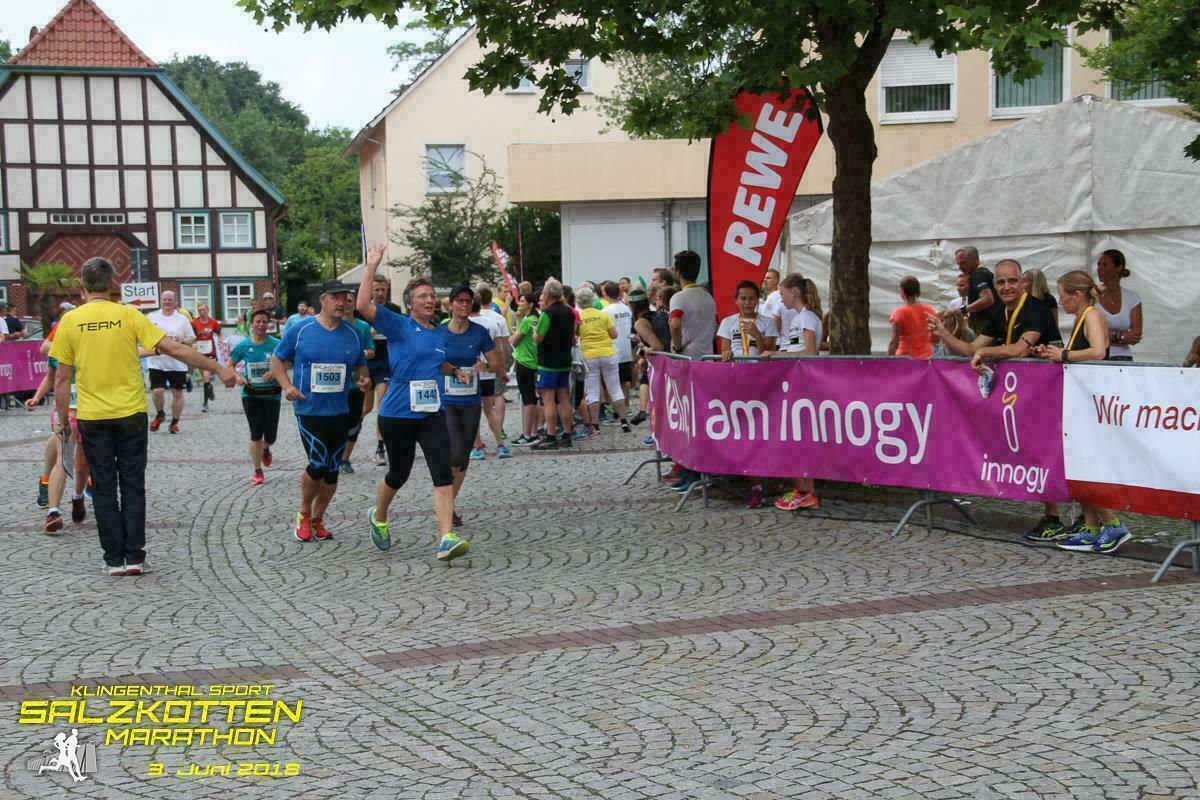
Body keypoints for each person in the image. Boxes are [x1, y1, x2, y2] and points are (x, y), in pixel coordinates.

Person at [50, 257, 238, 576]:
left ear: (82, 285)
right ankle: (135, 557)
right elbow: (173, 349)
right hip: (131, 413)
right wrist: (218, 368)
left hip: (92, 416)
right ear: (112, 284)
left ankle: (114, 560)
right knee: (132, 483)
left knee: (104, 486)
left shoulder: (70, 321)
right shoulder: (128, 315)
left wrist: (64, 423)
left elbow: (62, 378)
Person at [929, 259, 1065, 541]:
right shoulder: (998, 311)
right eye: (1001, 282)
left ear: (1023, 282)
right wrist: (943, 334)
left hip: (1052, 389)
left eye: (1012, 281)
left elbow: (1019, 350)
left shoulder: (1035, 309)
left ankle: (1064, 518)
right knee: (1033, 449)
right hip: (1027, 393)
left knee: (1050, 450)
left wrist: (987, 353)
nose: (1006, 287)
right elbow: (971, 348)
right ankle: (1054, 517)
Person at [356, 245, 467, 561]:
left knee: (442, 474)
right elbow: (362, 305)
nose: (429, 300)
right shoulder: (398, 324)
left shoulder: (439, 334)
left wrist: (454, 371)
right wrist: (372, 265)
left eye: (431, 296)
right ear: (409, 303)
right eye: (422, 296)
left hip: (431, 412)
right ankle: (379, 516)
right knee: (398, 474)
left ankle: (446, 538)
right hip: (397, 413)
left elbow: (436, 363)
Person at [1033, 270, 1132, 554]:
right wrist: (1052, 354)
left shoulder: (1092, 315)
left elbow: (1098, 351)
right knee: (1079, 466)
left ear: (1077, 295)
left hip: (1091, 402)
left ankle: (1113, 523)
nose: (1060, 301)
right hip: (1081, 400)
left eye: (1063, 296)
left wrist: (1063, 355)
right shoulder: (1083, 317)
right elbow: (1083, 352)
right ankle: (1091, 528)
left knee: (1085, 465)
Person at [271, 279, 369, 543]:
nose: (341, 302)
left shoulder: (353, 334)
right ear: (323, 300)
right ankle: (304, 514)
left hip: (340, 409)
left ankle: (318, 518)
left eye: (345, 297)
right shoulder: (300, 330)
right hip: (309, 408)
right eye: (335, 297)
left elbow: (361, 367)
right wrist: (287, 386)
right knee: (317, 465)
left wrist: (364, 380)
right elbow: (277, 360)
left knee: (333, 470)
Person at [438, 285, 503, 527]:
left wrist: (483, 366)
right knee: (455, 453)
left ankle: (448, 504)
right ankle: (445, 504)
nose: (464, 305)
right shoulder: (440, 332)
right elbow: (432, 361)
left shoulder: (479, 333)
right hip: (447, 401)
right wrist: (452, 370)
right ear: (451, 304)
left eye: (467, 301)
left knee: (463, 457)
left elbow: (497, 363)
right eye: (459, 301)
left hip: (471, 401)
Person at [716, 280, 778, 508]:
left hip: (761, 382)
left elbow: (768, 353)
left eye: (751, 298)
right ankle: (754, 483)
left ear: (757, 300)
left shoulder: (767, 322)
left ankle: (770, 477)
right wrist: (726, 355)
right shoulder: (728, 322)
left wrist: (758, 336)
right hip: (737, 382)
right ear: (736, 300)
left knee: (763, 431)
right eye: (743, 298)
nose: (747, 302)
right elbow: (724, 352)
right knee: (742, 432)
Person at [763, 274, 823, 510]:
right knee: (798, 438)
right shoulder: (799, 318)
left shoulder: (807, 317)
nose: (781, 299)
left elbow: (809, 352)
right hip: (796, 383)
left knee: (794, 438)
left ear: (794, 293)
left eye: (782, 294)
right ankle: (807, 492)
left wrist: (775, 354)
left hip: (803, 385)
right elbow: (795, 349)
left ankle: (805, 490)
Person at [25, 323, 90, 532]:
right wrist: (37, 397)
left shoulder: (96, 350)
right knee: (64, 459)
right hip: (65, 411)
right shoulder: (59, 350)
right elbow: (50, 377)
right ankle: (53, 512)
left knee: (82, 463)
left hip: (90, 411)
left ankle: (77, 497)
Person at [228, 309, 282, 485]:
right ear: (252, 324)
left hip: (272, 394)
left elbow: (287, 362)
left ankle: (266, 448)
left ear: (269, 324)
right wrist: (237, 377)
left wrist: (275, 371)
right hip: (251, 393)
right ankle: (257, 471)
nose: (261, 325)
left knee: (271, 436)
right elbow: (230, 364)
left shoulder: (276, 344)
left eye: (264, 322)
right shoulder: (244, 345)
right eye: (258, 321)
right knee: (256, 433)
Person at [360, 275, 404, 466]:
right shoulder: (361, 311)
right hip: (366, 362)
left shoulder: (394, 310)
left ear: (387, 290)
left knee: (382, 401)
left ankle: (381, 447)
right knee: (366, 407)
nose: (379, 293)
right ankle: (351, 428)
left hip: (386, 361)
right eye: (376, 289)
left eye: (383, 290)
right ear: (370, 291)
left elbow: (401, 333)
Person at [577, 285, 632, 435]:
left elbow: (575, 336)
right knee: (615, 388)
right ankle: (623, 421)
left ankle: (595, 425)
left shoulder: (579, 317)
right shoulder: (603, 314)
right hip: (608, 353)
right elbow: (614, 335)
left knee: (592, 391)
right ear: (592, 299)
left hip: (589, 355)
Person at [531, 280, 576, 451]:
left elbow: (538, 338)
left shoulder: (547, 314)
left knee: (548, 399)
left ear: (548, 294)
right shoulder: (569, 311)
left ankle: (550, 436)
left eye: (543, 292)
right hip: (565, 361)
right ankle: (567, 435)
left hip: (548, 362)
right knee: (564, 397)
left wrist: (534, 331)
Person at [470, 285, 512, 459]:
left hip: (470, 372)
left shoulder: (464, 323)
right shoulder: (492, 322)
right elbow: (500, 349)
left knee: (473, 411)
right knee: (489, 410)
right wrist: (502, 369)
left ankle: (478, 447)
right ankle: (501, 445)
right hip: (488, 371)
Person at [146, 291, 196, 434]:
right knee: (157, 391)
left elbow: (192, 338)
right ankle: (160, 414)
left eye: (170, 299)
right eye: (164, 299)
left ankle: (175, 422)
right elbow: (144, 335)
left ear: (175, 302)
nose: (167, 302)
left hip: (177, 362)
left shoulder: (182, 319)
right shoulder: (151, 317)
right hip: (156, 361)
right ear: (161, 301)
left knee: (177, 392)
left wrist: (182, 341)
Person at [338, 296, 376, 474]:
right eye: (343, 300)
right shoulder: (334, 325)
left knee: (354, 422)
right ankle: (335, 456)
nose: (346, 304)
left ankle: (345, 458)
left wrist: (361, 354)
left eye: (350, 300)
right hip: (337, 384)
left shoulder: (363, 326)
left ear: (354, 304)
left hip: (357, 382)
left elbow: (371, 350)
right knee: (336, 421)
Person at [1095, 249, 1142, 361]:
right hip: (1097, 358)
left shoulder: (1132, 297)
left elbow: (1135, 336)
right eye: (1098, 265)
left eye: (1105, 265)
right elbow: (1088, 332)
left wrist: (1105, 335)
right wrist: (1121, 336)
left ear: (1118, 268)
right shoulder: (1091, 296)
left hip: (1124, 358)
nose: (1099, 268)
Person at [668, 250, 717, 357]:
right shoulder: (709, 298)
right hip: (707, 359)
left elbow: (675, 325)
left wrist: (678, 347)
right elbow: (715, 329)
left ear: (677, 272)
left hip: (687, 359)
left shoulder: (678, 297)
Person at [509, 292, 542, 445]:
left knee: (528, 400)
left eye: (522, 301)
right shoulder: (536, 319)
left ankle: (528, 434)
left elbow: (514, 341)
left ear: (530, 304)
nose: (519, 303)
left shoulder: (527, 320)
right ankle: (535, 432)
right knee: (533, 399)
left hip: (524, 362)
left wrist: (517, 325)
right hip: (534, 362)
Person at [602, 281, 636, 409]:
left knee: (612, 383)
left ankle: (615, 408)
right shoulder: (626, 308)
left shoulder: (605, 311)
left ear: (605, 294)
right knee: (625, 381)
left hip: (613, 350)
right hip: (626, 350)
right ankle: (626, 406)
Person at [887, 277, 938, 359]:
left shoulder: (898, 313)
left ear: (902, 292)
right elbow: (935, 337)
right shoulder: (930, 311)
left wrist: (889, 361)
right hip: (926, 357)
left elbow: (894, 342)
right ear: (918, 291)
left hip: (905, 358)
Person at [956, 246, 997, 336]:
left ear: (974, 259)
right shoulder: (985, 272)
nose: (960, 267)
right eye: (958, 264)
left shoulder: (977, 275)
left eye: (963, 263)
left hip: (984, 326)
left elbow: (988, 299)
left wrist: (964, 309)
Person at [190, 303, 222, 413]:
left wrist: (220, 340)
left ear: (208, 310)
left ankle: (205, 403)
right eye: (199, 310)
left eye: (203, 310)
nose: (201, 312)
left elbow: (219, 333)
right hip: (199, 352)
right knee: (205, 378)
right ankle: (210, 389)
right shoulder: (194, 323)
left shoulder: (213, 322)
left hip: (210, 352)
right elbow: (190, 336)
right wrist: (193, 344)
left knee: (206, 376)